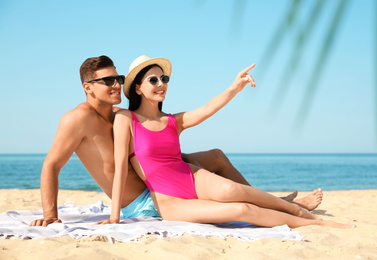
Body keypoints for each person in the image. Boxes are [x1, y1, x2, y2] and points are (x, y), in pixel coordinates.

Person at [30, 55, 321, 227]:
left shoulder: (120, 114)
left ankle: (276, 202)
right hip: (146, 198)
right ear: (88, 88)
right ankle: (278, 208)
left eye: (118, 78)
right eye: (108, 81)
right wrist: (51, 214)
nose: (116, 84)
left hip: (156, 177)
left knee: (215, 156)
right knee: (226, 194)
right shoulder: (76, 119)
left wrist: (234, 88)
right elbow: (51, 165)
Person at [99, 55, 355, 229]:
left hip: (191, 177)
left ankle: (297, 211)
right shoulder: (125, 118)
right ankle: (313, 222)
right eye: (153, 80)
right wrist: (115, 216)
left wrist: (235, 86)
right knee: (241, 210)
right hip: (168, 200)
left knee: (235, 191)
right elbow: (121, 166)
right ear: (138, 88)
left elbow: (209, 107)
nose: (161, 84)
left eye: (164, 79)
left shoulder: (174, 121)